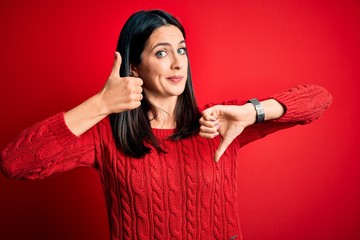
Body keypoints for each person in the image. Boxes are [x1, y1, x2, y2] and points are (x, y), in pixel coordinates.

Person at [0, 9, 332, 240]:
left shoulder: (220, 119)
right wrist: (100, 104)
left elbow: (318, 99)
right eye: (161, 53)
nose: (177, 62)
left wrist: (250, 113)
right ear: (134, 66)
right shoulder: (106, 134)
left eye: (182, 50)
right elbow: (15, 162)